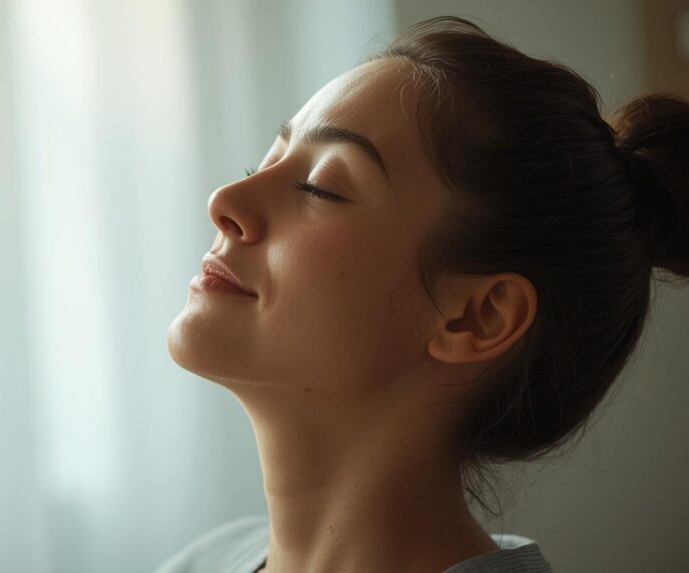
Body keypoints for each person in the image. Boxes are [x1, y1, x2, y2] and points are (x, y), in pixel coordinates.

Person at [160, 14, 689, 573]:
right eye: (266, 161)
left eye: (322, 187)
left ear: (477, 318)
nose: (226, 200)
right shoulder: (198, 562)